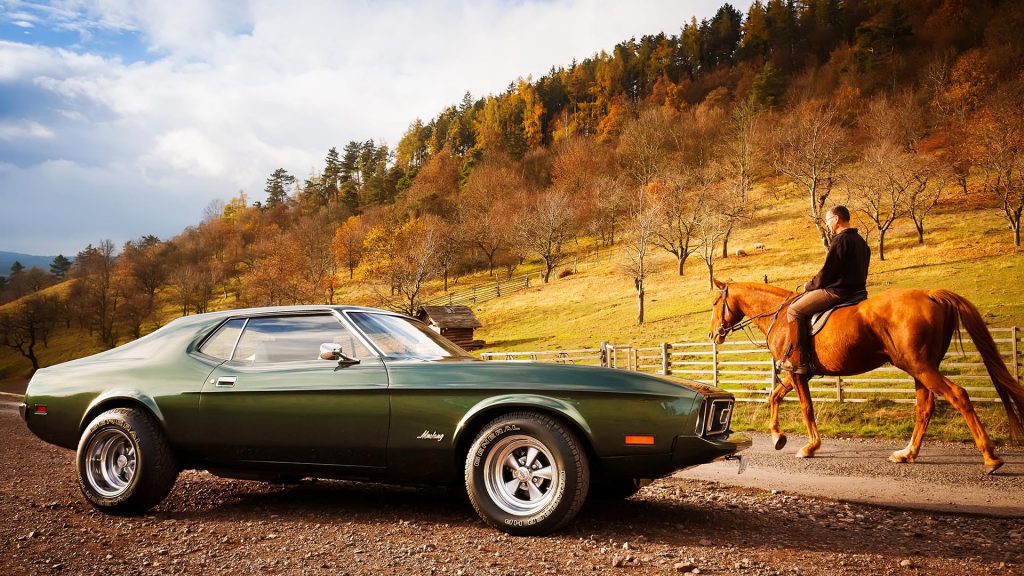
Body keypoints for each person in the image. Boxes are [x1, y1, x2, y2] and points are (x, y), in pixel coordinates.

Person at [779, 205, 871, 374]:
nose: (827, 225)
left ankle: (800, 360)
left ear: (836, 219)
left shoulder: (840, 240)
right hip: (859, 293)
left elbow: (827, 273)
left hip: (838, 293)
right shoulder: (861, 242)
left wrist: (809, 286)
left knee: (794, 310)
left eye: (828, 221)